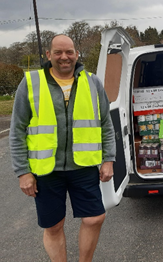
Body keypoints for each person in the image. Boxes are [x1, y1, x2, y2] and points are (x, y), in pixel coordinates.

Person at [9, 34, 116, 262]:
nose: (64, 57)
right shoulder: (31, 83)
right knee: (54, 225)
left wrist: (109, 159)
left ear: (77, 54)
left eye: (69, 52)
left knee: (95, 218)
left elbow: (106, 123)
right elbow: (17, 130)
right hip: (47, 170)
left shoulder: (93, 82)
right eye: (58, 52)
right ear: (48, 55)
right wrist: (23, 172)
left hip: (83, 166)